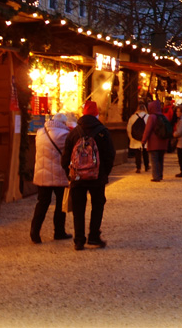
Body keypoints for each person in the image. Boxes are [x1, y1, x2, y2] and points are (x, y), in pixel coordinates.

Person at [60, 101, 115, 250]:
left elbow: (65, 157)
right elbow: (110, 155)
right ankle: (94, 236)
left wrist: (69, 173)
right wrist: (104, 173)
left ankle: (79, 240)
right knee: (97, 205)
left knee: (78, 208)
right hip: (96, 177)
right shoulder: (102, 131)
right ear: (96, 114)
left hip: (77, 177)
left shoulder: (74, 132)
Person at [30, 112, 72, 244]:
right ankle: (59, 231)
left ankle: (35, 232)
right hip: (59, 174)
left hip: (42, 174)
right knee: (60, 204)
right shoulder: (64, 135)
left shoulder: (40, 132)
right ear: (63, 123)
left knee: (42, 203)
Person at [141, 100, 170, 182]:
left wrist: (144, 140)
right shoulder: (164, 117)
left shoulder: (152, 117)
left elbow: (148, 130)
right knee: (161, 159)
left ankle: (156, 176)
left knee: (154, 160)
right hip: (163, 142)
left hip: (154, 142)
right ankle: (160, 175)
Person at [126, 105, 149, 173]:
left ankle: (138, 167)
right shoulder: (148, 116)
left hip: (135, 138)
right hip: (145, 137)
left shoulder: (133, 117)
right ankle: (146, 166)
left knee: (137, 153)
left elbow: (129, 128)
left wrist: (131, 137)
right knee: (145, 152)